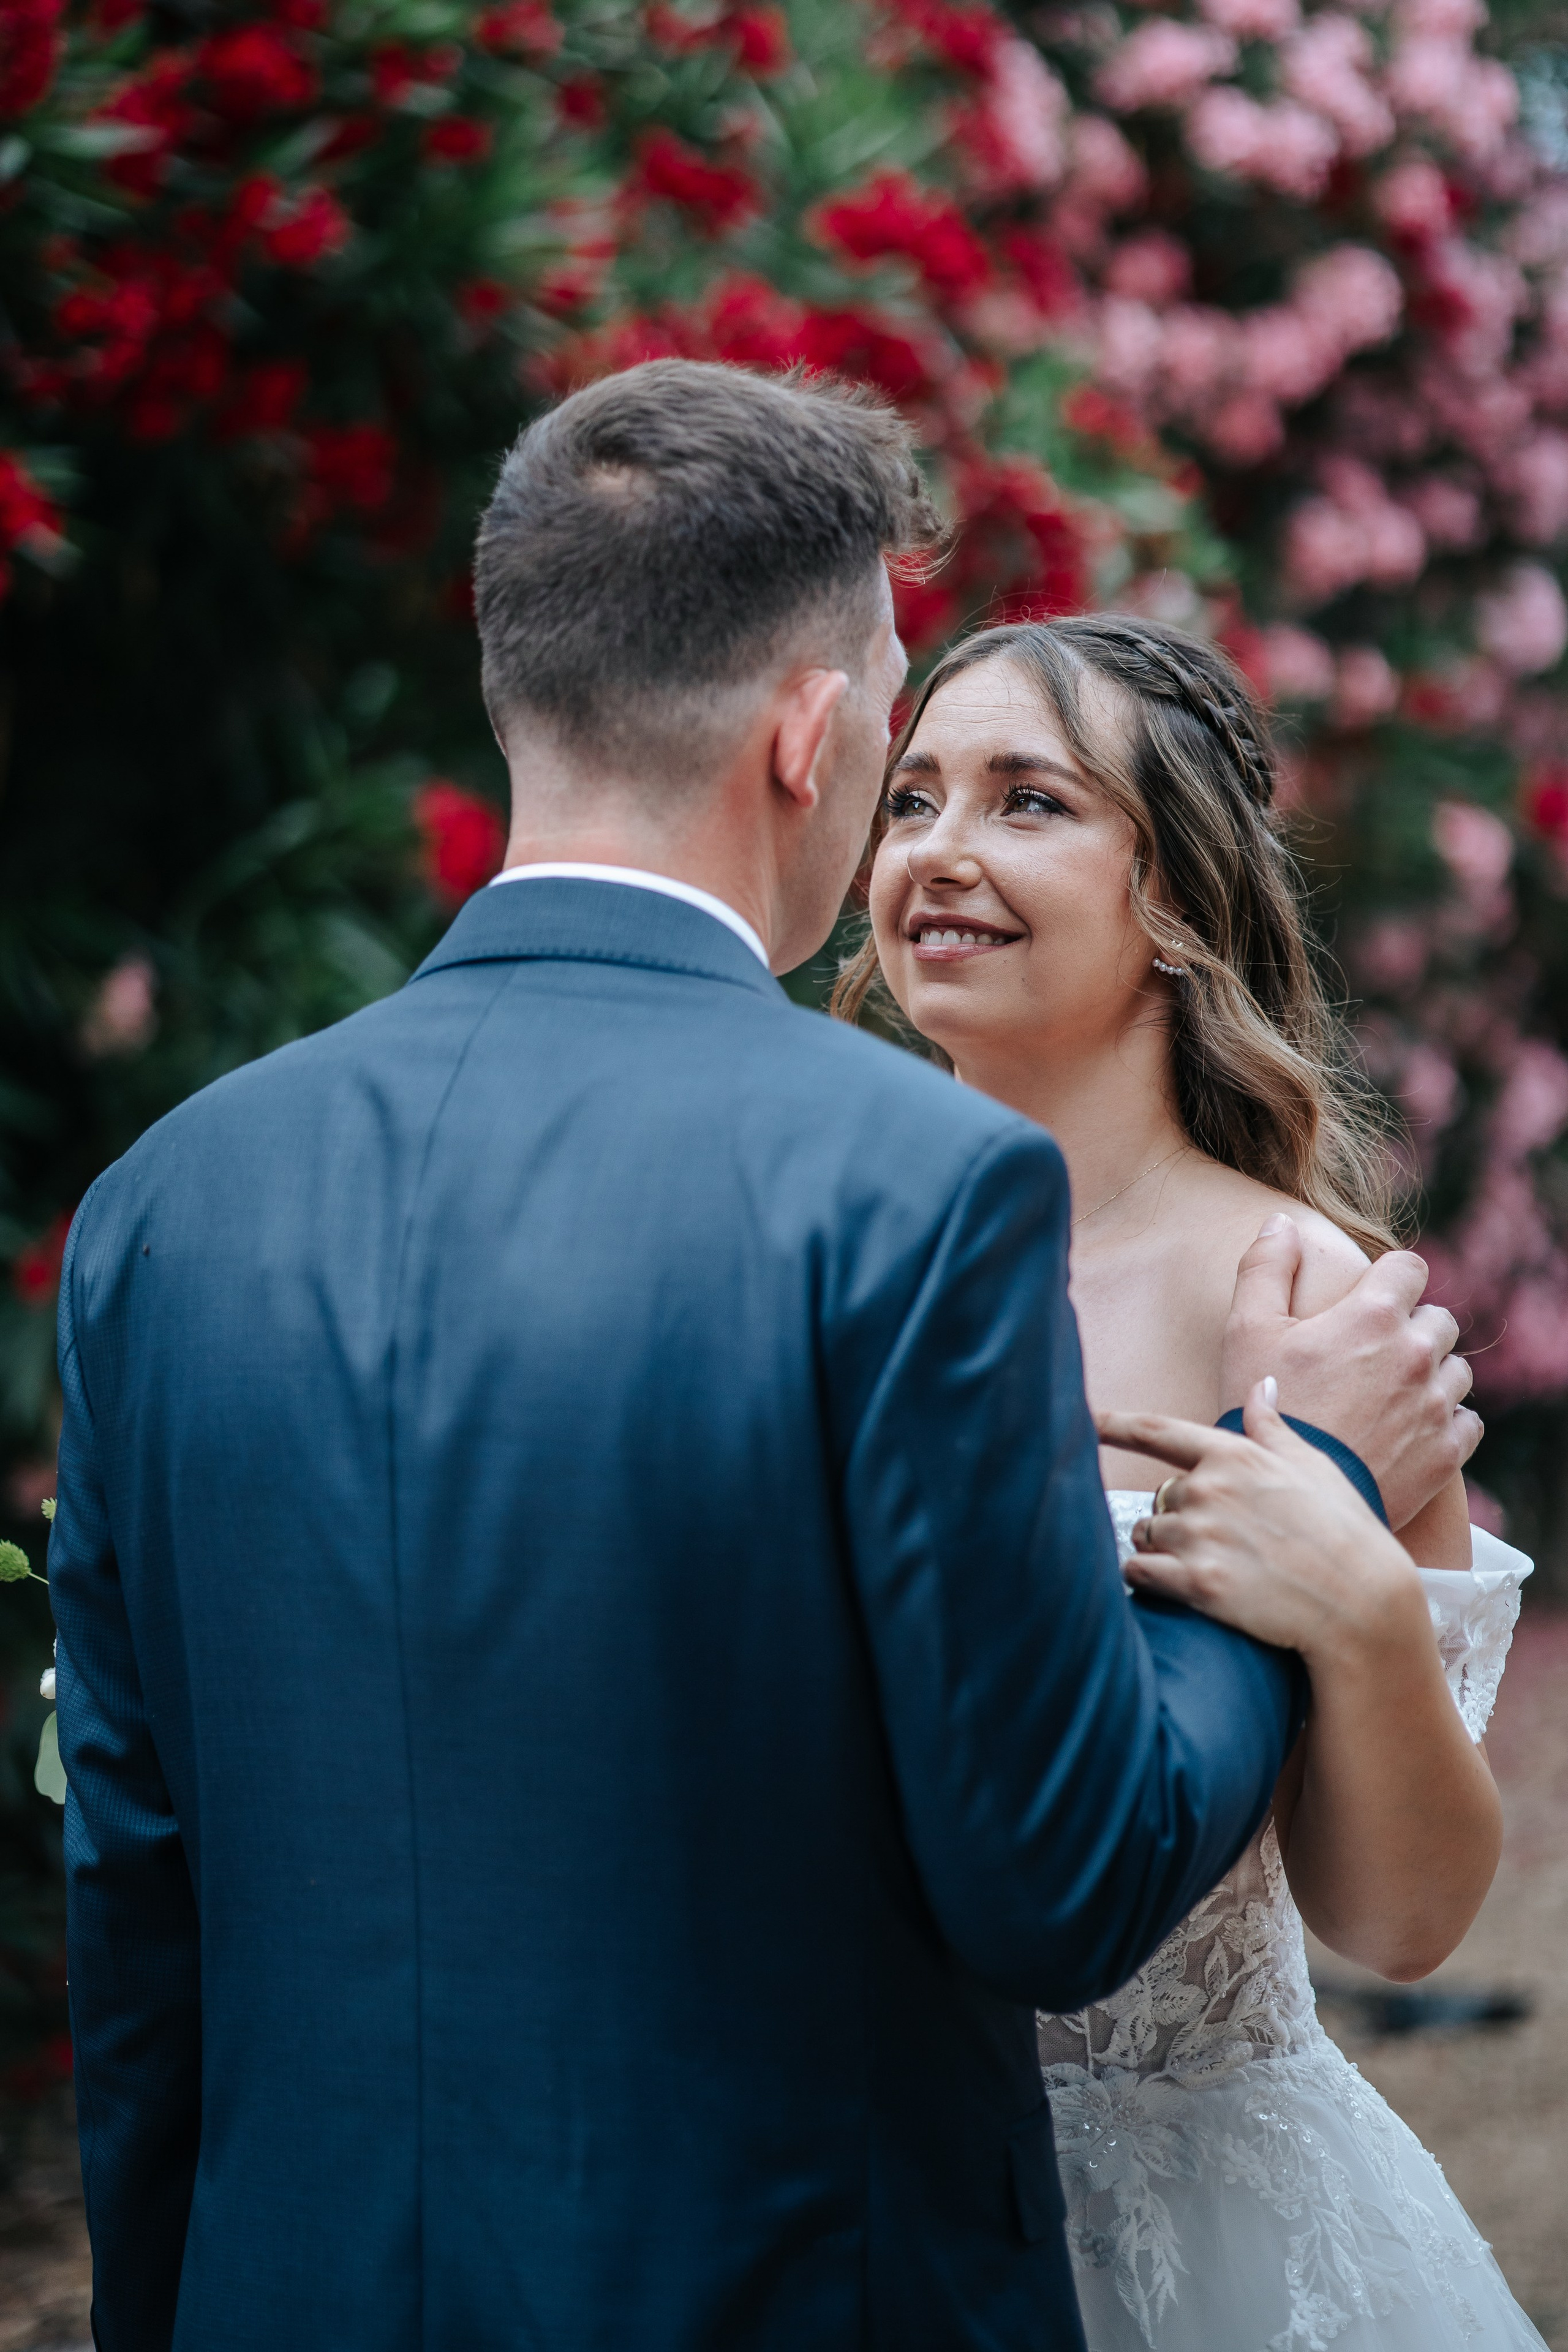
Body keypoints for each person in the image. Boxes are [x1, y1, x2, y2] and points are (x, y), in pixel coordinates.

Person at [50, 363, 1477, 2352]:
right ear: (814, 742)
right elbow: (1058, 1885)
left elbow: (137, 1912)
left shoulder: (163, 1206)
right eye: (905, 755)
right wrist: (1307, 1476)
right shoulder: (910, 1188)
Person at [842, 611, 1544, 2351]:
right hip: (867, 2190)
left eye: (1028, 803)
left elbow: (1407, 1917)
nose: (938, 847)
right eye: (912, 794)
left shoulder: (1306, 1308)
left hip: (1211, 2231)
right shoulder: (817, 1249)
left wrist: (1361, 1607)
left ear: (1174, 895)